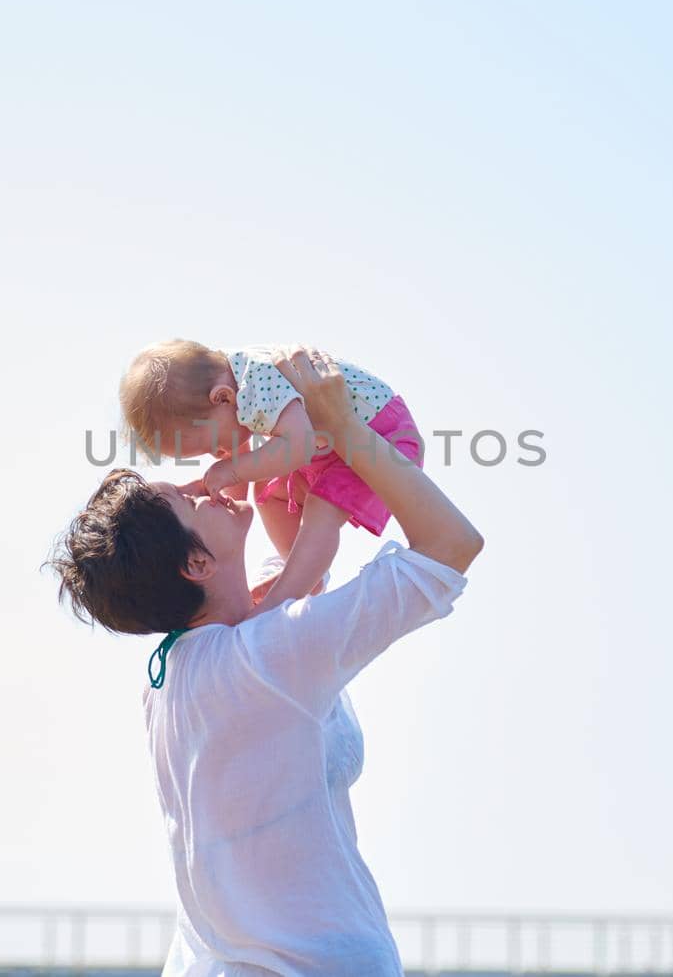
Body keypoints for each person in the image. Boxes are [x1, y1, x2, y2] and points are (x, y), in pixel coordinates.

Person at [53, 346, 483, 976]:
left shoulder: (171, 677)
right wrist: (346, 429)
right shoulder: (269, 656)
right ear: (195, 564)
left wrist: (284, 445)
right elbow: (452, 546)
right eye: (191, 498)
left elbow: (292, 578)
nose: (209, 481)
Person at [117, 339, 424, 617]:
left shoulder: (257, 381)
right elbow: (240, 460)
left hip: (381, 436)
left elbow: (299, 446)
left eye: (212, 445)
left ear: (222, 398)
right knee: (269, 490)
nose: (218, 454)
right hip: (335, 446)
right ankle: (302, 571)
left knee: (321, 510)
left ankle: (279, 601)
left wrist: (232, 471)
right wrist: (224, 500)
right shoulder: (235, 385)